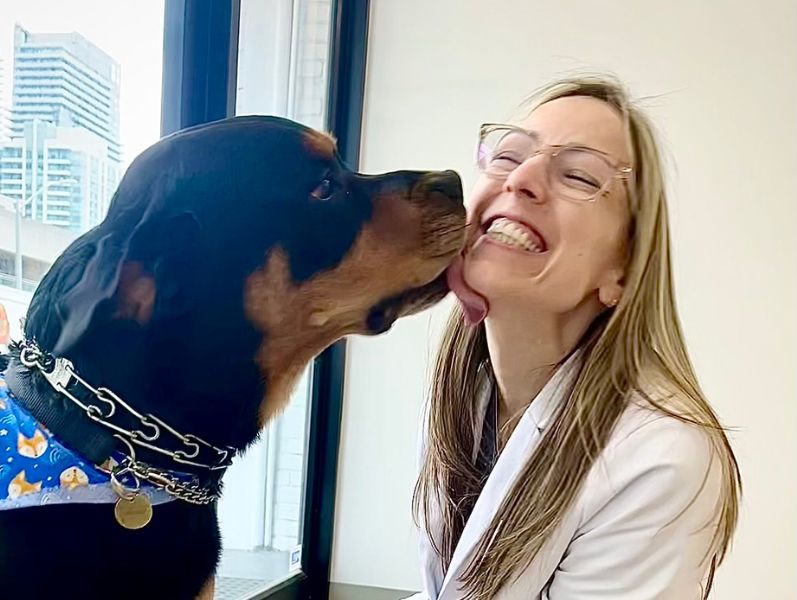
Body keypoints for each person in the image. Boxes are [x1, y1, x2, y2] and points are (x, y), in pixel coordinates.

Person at [410, 76, 740, 600]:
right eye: (508, 155)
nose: (523, 179)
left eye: (581, 177)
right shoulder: (470, 401)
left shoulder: (660, 460)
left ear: (622, 272)